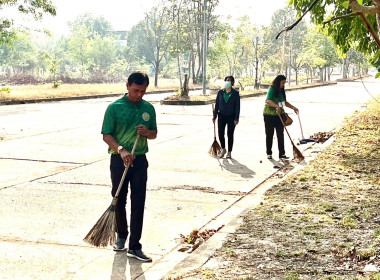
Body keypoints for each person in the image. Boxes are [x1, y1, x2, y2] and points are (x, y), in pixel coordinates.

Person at [101, 71, 157, 262]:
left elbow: (154, 133)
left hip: (140, 160)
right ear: (127, 86)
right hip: (119, 160)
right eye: (135, 90)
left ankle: (135, 245)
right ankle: (121, 235)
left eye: (143, 91)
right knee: (119, 199)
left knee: (139, 201)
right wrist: (121, 150)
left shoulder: (148, 108)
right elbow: (106, 135)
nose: (139, 95)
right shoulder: (114, 108)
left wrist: (147, 132)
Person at [263, 74, 298, 160]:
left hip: (280, 115)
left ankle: (282, 153)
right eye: (282, 83)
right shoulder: (272, 89)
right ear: (278, 82)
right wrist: (276, 106)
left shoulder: (282, 91)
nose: (283, 85)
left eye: (284, 83)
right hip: (269, 115)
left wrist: (293, 107)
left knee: (280, 134)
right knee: (270, 134)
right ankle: (269, 153)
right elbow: (268, 101)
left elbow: (284, 102)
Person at [213, 75, 240, 159]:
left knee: (230, 134)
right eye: (226, 80)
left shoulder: (235, 94)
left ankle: (229, 152)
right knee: (220, 133)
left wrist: (236, 118)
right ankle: (223, 148)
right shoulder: (221, 92)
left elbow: (237, 107)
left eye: (229, 81)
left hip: (231, 117)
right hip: (221, 116)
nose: (227, 82)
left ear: (232, 83)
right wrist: (214, 116)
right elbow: (217, 105)